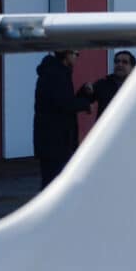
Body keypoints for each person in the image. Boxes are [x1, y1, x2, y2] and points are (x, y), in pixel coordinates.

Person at [33, 50, 93, 187]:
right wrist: (85, 104)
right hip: (55, 140)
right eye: (76, 54)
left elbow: (63, 101)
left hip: (54, 140)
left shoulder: (57, 72)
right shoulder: (56, 74)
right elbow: (63, 104)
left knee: (53, 181)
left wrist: (83, 93)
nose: (77, 58)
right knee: (53, 184)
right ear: (67, 55)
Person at [80, 50, 136, 119]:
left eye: (124, 62)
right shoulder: (103, 84)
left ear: (132, 67)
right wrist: (85, 89)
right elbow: (83, 99)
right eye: (117, 61)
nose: (119, 64)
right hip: (109, 128)